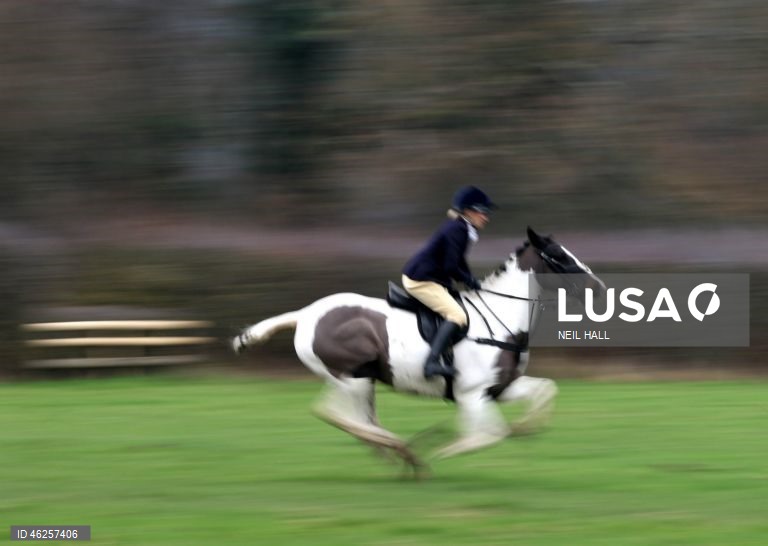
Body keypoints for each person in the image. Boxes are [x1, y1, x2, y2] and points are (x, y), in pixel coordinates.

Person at [402, 186, 496, 379]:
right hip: (421, 280)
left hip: (432, 277)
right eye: (483, 212)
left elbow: (459, 261)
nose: (486, 217)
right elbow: (451, 266)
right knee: (457, 316)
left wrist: (472, 280)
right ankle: (431, 364)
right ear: (469, 211)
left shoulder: (463, 228)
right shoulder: (458, 230)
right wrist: (469, 280)